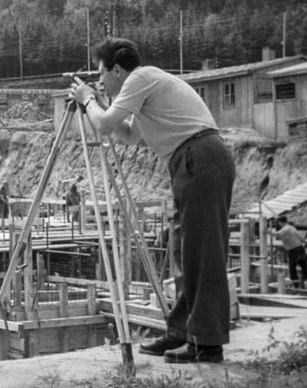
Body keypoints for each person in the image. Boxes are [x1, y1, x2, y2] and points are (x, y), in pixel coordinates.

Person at [69, 37, 235, 364]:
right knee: (183, 248)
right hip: (191, 161)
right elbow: (128, 134)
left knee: (203, 252)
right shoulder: (141, 87)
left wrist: (88, 100)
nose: (100, 81)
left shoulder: (140, 78)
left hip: (199, 158)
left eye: (103, 74)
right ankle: (182, 332)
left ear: (118, 69)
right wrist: (99, 102)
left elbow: (102, 124)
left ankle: (207, 343)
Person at [269, 215, 307, 290]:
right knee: (304, 268)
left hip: (294, 251)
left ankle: (296, 287)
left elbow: (278, 234)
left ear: (280, 222)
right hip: (301, 249)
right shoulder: (292, 228)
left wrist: (269, 232)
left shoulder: (286, 229)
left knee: (292, 269)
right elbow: (301, 237)